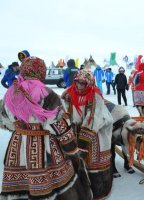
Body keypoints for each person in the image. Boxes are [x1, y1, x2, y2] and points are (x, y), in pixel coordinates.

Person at [0, 56, 92, 200]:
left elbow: (4, 120)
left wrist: (23, 129)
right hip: (45, 150)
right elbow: (60, 128)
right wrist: (72, 150)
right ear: (42, 72)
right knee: (53, 187)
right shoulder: (47, 94)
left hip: (18, 148)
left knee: (20, 189)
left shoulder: (11, 93)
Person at [61, 70, 114, 199]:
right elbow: (63, 110)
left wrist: (83, 144)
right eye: (77, 82)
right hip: (75, 131)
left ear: (89, 83)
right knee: (75, 164)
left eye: (83, 83)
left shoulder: (95, 95)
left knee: (94, 165)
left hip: (96, 133)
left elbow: (94, 118)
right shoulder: (68, 93)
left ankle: (98, 194)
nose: (79, 86)